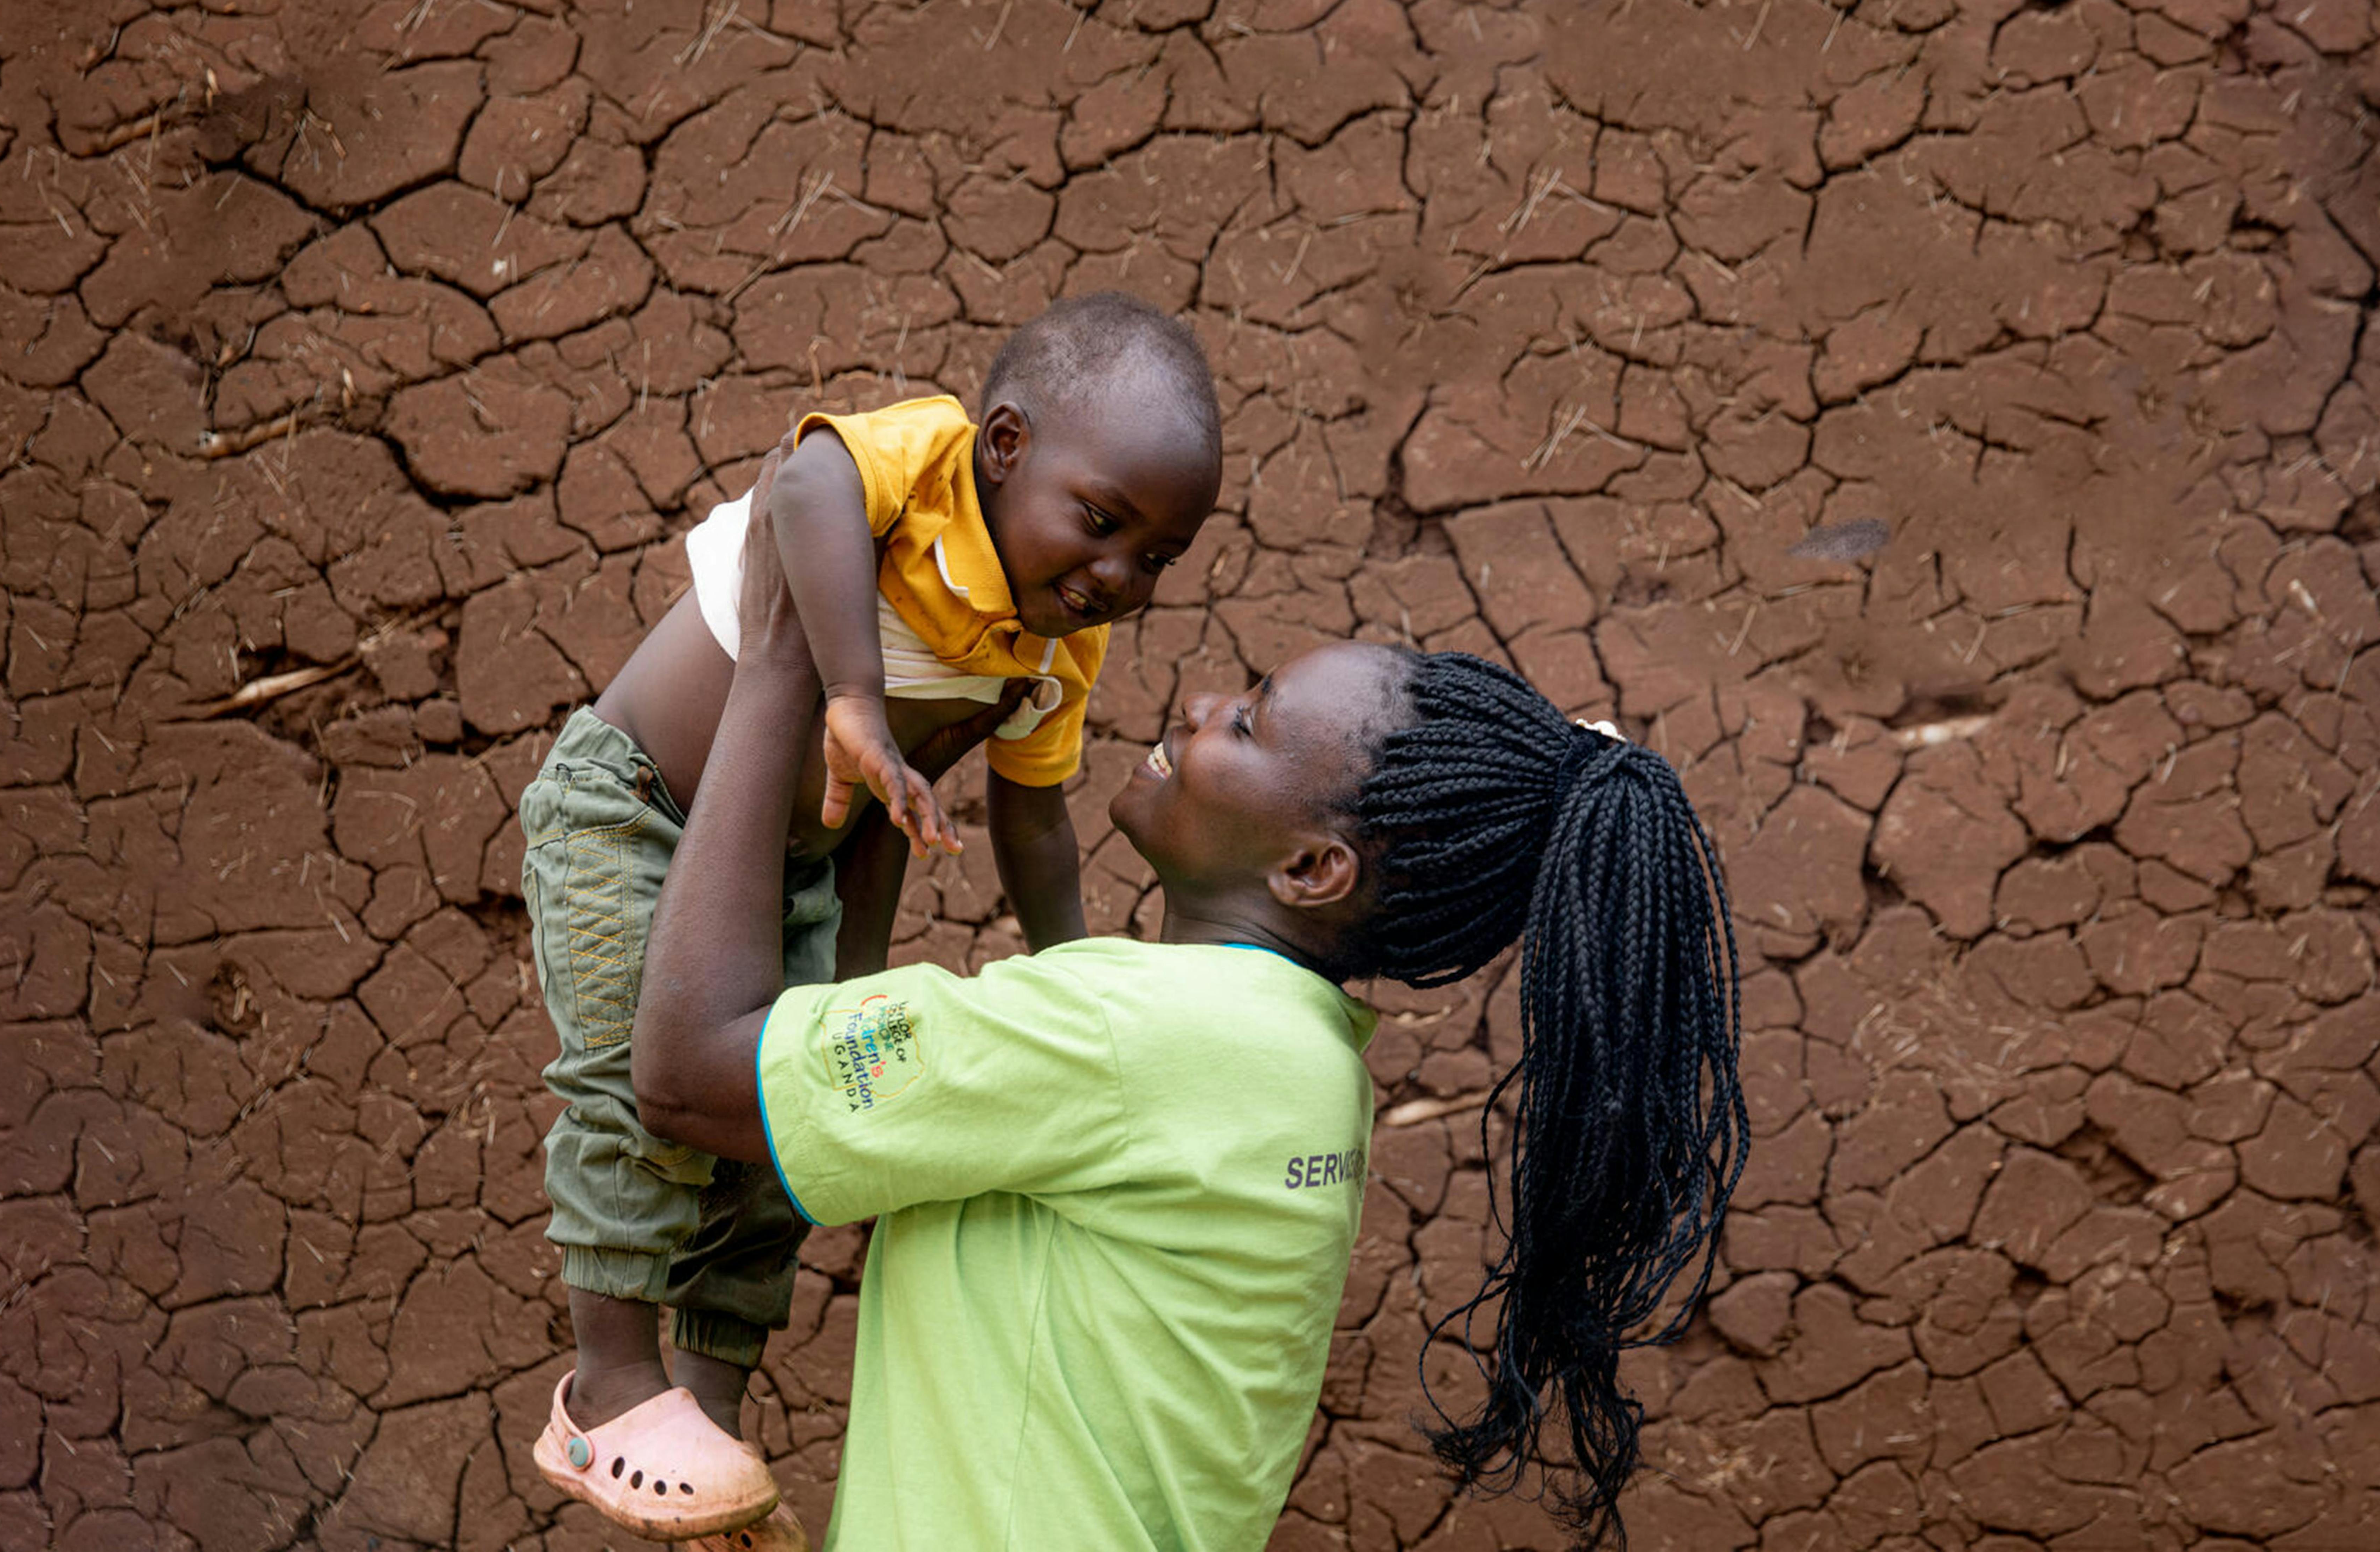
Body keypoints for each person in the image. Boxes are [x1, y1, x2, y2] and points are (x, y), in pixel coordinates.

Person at [609, 468, 1749, 1550]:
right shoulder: (1298, 1065)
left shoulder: (1128, 1034)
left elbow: (689, 1070)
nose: (1201, 703)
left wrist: (779, 663)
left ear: (1312, 870)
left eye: (1248, 723)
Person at [518, 292, 1223, 1544]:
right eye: (1103, 522)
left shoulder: (1055, 654)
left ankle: (710, 1385)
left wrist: (1097, 991)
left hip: (798, 870)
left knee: (796, 1119)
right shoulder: (926, 462)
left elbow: (1037, 827)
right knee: (637, 1085)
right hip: (633, 809)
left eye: (1156, 557)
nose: (1119, 576)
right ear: (1005, 449)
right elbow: (803, 484)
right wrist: (852, 690)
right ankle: (609, 1381)